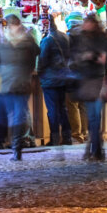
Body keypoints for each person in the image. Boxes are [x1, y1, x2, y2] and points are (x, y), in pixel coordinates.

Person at [0, 13, 40, 159]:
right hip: (21, 82)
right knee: (17, 115)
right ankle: (17, 147)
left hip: (9, 83)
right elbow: (35, 56)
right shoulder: (28, 41)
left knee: (13, 115)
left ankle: (16, 146)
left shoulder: (3, 43)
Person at [70, 12, 107, 160]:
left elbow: (106, 58)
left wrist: (90, 57)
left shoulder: (101, 39)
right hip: (87, 80)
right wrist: (90, 57)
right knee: (93, 116)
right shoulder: (80, 38)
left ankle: (95, 149)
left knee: (95, 116)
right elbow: (76, 58)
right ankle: (96, 149)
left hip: (97, 80)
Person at [35, 13, 77, 146]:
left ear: (46, 23)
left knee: (53, 110)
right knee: (63, 108)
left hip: (50, 80)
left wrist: (39, 72)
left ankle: (54, 138)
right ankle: (67, 137)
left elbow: (42, 61)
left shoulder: (47, 40)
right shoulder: (65, 36)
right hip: (63, 78)